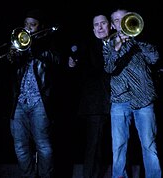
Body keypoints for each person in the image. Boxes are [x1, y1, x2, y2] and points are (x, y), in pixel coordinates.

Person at [103, 8, 162, 178]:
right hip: (119, 101)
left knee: (149, 145)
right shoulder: (108, 44)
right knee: (119, 146)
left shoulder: (141, 40)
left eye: (123, 18)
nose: (120, 22)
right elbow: (108, 68)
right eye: (116, 20)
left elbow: (154, 58)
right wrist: (118, 45)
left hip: (143, 99)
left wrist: (138, 40)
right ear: (113, 25)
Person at [8, 9, 61, 178]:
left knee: (44, 146)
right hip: (19, 102)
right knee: (20, 146)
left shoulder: (49, 42)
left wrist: (36, 47)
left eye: (33, 25)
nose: (28, 28)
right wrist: (13, 54)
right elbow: (7, 70)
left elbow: (57, 61)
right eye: (26, 24)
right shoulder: (19, 44)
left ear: (40, 26)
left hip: (40, 102)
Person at [68, 14, 111, 178]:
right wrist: (73, 63)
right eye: (96, 25)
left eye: (103, 23)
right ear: (93, 29)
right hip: (96, 104)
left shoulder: (119, 42)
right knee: (94, 147)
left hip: (120, 101)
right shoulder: (87, 46)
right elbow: (81, 67)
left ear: (110, 26)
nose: (100, 28)